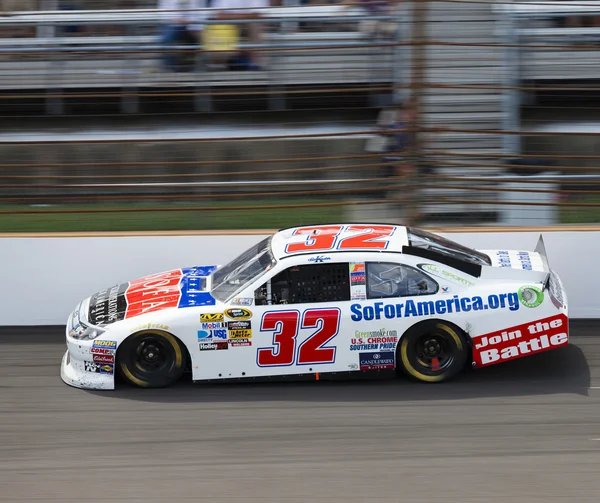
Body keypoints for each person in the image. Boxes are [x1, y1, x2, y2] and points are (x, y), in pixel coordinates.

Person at [209, 0, 269, 70]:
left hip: (247, 23)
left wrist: (231, 16)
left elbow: (258, 15)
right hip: (231, 23)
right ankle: (219, 62)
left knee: (255, 25)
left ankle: (258, 64)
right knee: (220, 26)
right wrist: (247, 15)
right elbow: (219, 16)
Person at [158, 0, 208, 72]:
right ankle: (169, 68)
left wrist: (195, 24)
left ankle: (192, 67)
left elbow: (202, 12)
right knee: (167, 38)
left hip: (194, 24)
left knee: (199, 37)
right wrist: (177, 19)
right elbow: (162, 13)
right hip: (173, 24)